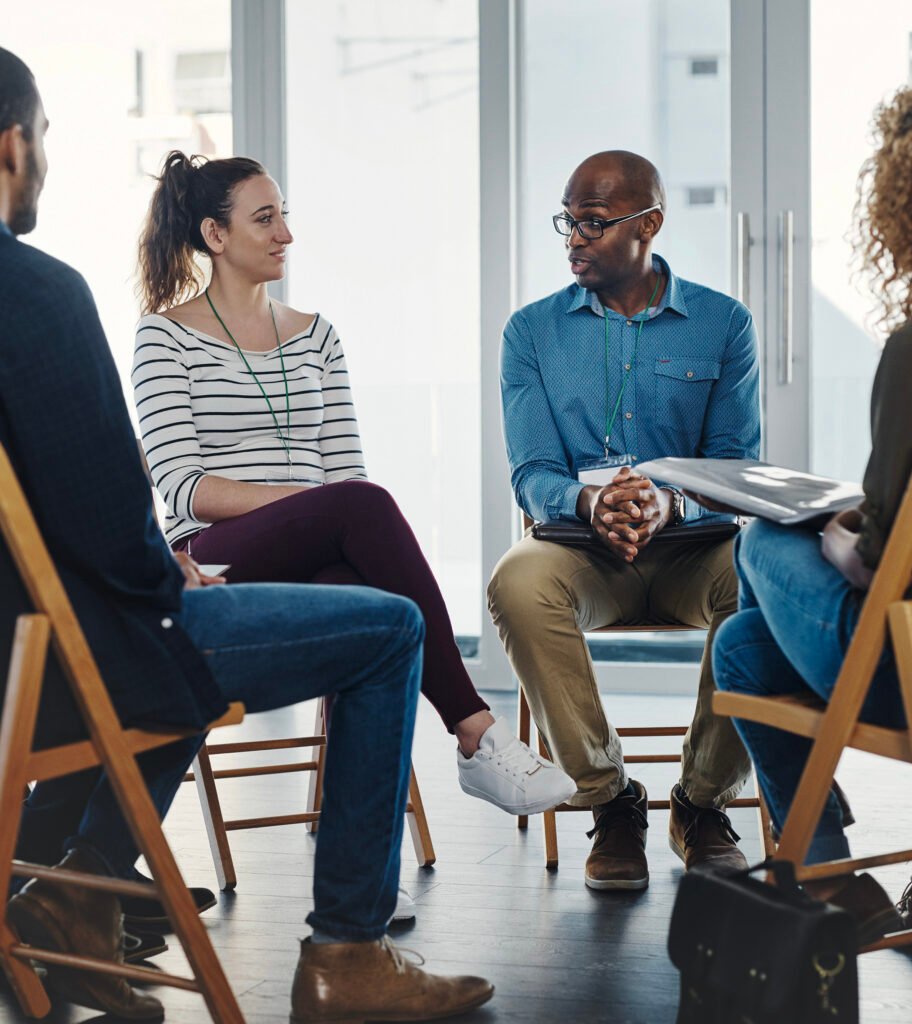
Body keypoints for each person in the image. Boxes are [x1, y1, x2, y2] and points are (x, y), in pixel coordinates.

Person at [0, 46, 493, 1022]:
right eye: (47, 135)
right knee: (387, 627)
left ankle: (75, 890)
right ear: (12, 146)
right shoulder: (40, 297)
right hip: (69, 656)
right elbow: (113, 526)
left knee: (285, 573)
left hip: (13, 661)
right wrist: (173, 574)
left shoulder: (308, 330)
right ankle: (345, 956)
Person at [130, 150, 575, 828]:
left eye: (284, 216)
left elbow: (343, 475)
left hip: (322, 543)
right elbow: (186, 489)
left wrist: (321, 510)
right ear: (214, 236)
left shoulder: (317, 337)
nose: (285, 234)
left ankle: (361, 858)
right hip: (214, 557)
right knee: (360, 511)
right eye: (265, 218)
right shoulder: (164, 337)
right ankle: (475, 730)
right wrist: (308, 505)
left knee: (364, 598)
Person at [712, 81, 912, 944]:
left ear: (909, 206)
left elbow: (881, 557)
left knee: (759, 535)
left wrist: (835, 535)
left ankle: (824, 887)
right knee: (739, 649)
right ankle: (834, 882)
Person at [488, 150, 761, 891]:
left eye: (593, 223)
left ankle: (701, 805)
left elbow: (735, 469)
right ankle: (611, 803)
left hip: (691, 551)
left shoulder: (722, 324)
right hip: (581, 551)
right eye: (567, 222)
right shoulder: (531, 333)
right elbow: (531, 470)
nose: (574, 238)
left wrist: (669, 501)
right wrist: (589, 503)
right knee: (516, 583)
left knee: (767, 582)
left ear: (649, 224)